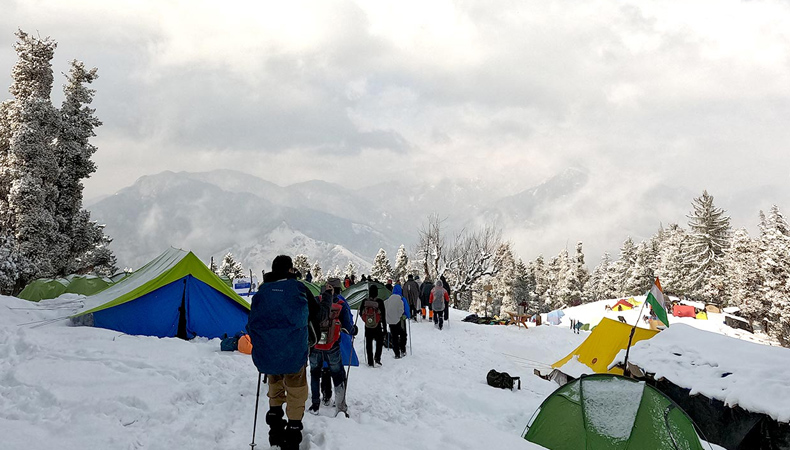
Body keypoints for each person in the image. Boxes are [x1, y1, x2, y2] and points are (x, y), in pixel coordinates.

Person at [248, 255, 320, 450]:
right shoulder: (299, 289)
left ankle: (275, 430)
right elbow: (316, 313)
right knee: (296, 391)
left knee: (275, 386)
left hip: (269, 351)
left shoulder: (263, 291)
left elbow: (253, 320)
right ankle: (293, 433)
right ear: (290, 270)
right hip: (294, 350)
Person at [308, 278, 354, 415]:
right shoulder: (341, 304)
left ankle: (315, 404)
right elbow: (348, 326)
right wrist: (353, 330)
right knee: (338, 375)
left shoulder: (317, 300)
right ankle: (340, 407)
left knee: (315, 374)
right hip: (333, 346)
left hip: (315, 345)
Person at [361, 285, 386, 367]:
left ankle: (370, 361)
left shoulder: (365, 301)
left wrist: (367, 320)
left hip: (368, 326)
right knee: (379, 342)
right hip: (377, 326)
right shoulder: (380, 302)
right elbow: (383, 316)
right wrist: (385, 328)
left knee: (369, 343)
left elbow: (361, 313)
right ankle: (377, 358)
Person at [384, 285, 408, 358]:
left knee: (394, 337)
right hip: (397, 321)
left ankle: (397, 353)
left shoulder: (389, 299)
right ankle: (403, 349)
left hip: (390, 321)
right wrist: (401, 316)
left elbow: (385, 307)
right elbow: (402, 309)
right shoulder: (400, 299)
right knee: (403, 334)